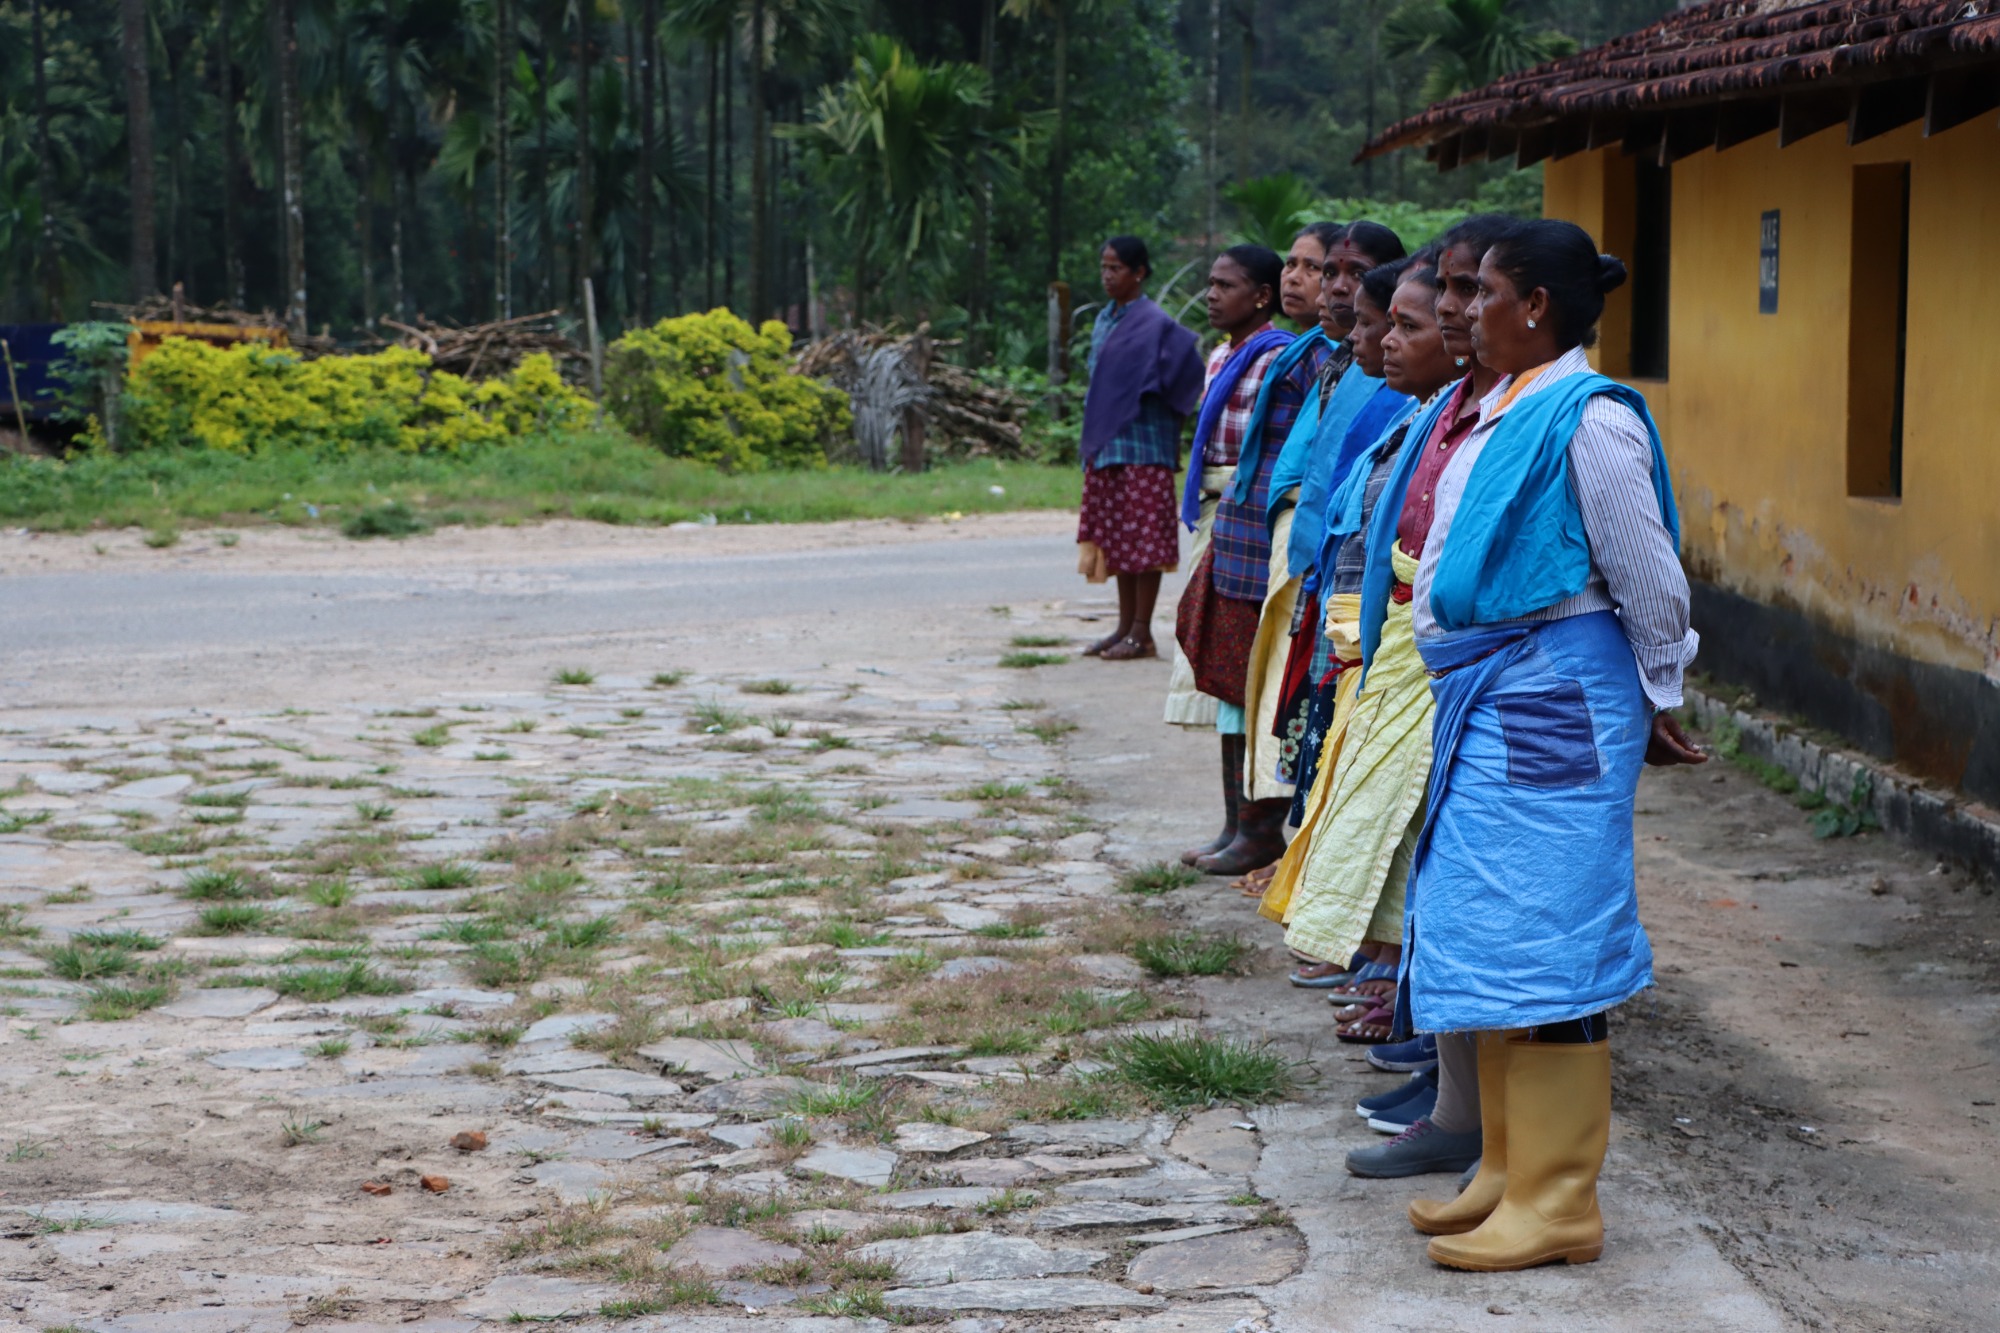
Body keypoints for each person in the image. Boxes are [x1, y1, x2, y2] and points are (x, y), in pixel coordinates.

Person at [1386, 218, 1705, 1272]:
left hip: (1550, 696)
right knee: (1487, 924)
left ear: (1534, 307)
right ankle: (1507, 1169)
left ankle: (1558, 1198)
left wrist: (1658, 692)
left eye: (1481, 291)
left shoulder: (1588, 418)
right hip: (1495, 689)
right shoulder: (1504, 404)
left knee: (1548, 930)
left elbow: (1647, 575)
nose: (1461, 308)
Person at [1238, 224, 1409, 848]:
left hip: (1359, 583)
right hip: (1318, 561)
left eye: (1354, 274)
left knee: (1339, 726)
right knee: (1306, 715)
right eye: (1329, 272)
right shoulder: (1339, 359)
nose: (1337, 288)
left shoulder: (1395, 379)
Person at [1169, 244, 1298, 871]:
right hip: (1221, 516)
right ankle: (1234, 825)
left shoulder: (1279, 356)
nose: (1212, 295)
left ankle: (1260, 829)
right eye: (1210, 283)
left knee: (1250, 678)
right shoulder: (1222, 354)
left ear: (1262, 296)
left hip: (1252, 523)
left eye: (1226, 285)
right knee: (1225, 679)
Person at [1077, 236, 1206, 660]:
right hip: (1109, 447)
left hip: (1145, 449)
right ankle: (1123, 626)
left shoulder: (1156, 324)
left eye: (1116, 268)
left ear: (1139, 273)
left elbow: (1187, 374)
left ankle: (1142, 632)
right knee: (1117, 539)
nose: (1107, 276)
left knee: (1145, 544)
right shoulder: (1104, 320)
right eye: (1104, 267)